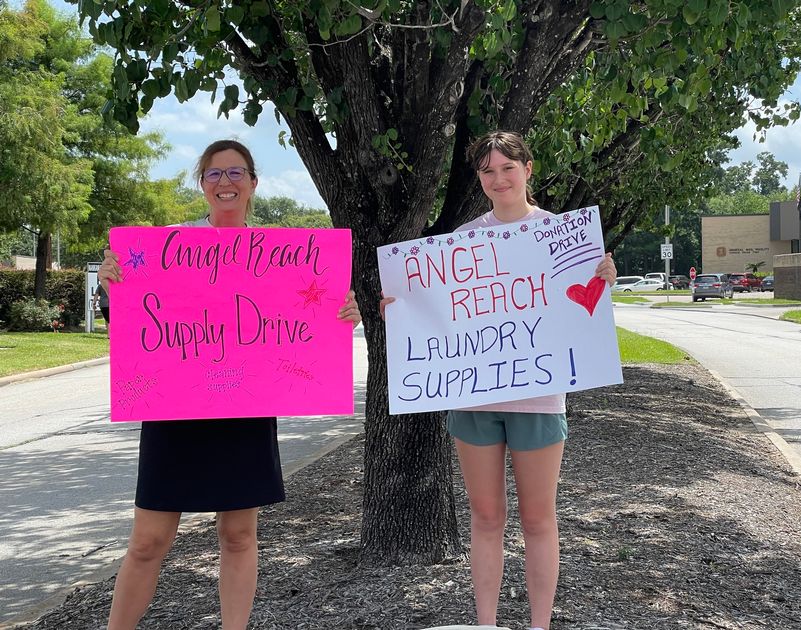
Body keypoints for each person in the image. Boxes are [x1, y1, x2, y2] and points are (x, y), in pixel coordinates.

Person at [98, 139, 362, 630]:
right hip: (175, 412)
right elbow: (129, 324)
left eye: (236, 172)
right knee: (148, 541)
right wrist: (113, 285)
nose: (225, 182)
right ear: (202, 184)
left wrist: (343, 312)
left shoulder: (283, 257)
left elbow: (309, 322)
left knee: (239, 536)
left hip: (246, 410)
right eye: (215, 174)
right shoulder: (168, 245)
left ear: (253, 183)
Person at [380, 131, 617, 630]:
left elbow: (579, 311)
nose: (498, 178)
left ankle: (539, 625)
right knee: (486, 517)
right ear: (479, 178)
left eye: (508, 167)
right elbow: (436, 308)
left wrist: (604, 275)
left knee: (538, 518)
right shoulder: (463, 241)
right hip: (474, 400)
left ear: (528, 169)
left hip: (540, 400)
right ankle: (485, 624)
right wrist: (400, 310)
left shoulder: (563, 236)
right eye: (487, 170)